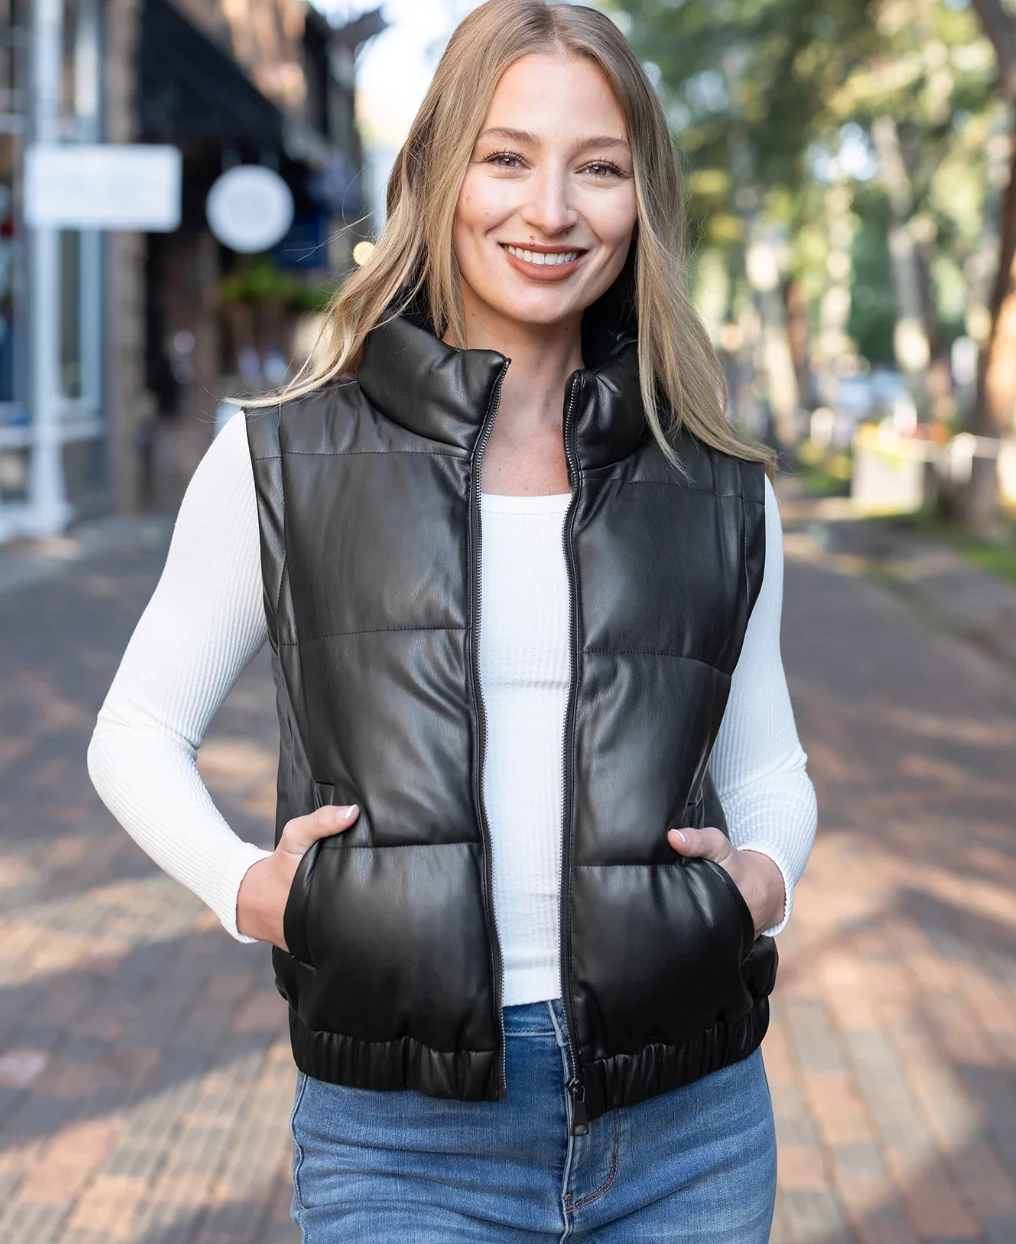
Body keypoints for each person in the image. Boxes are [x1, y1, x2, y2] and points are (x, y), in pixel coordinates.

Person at [88, 3, 817, 1239]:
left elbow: (770, 768)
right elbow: (134, 731)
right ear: (432, 176)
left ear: (641, 200)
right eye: (505, 157)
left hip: (688, 1123)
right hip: (402, 1138)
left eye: (598, 166)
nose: (550, 210)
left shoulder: (717, 486)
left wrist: (759, 885)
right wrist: (249, 890)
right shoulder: (285, 456)